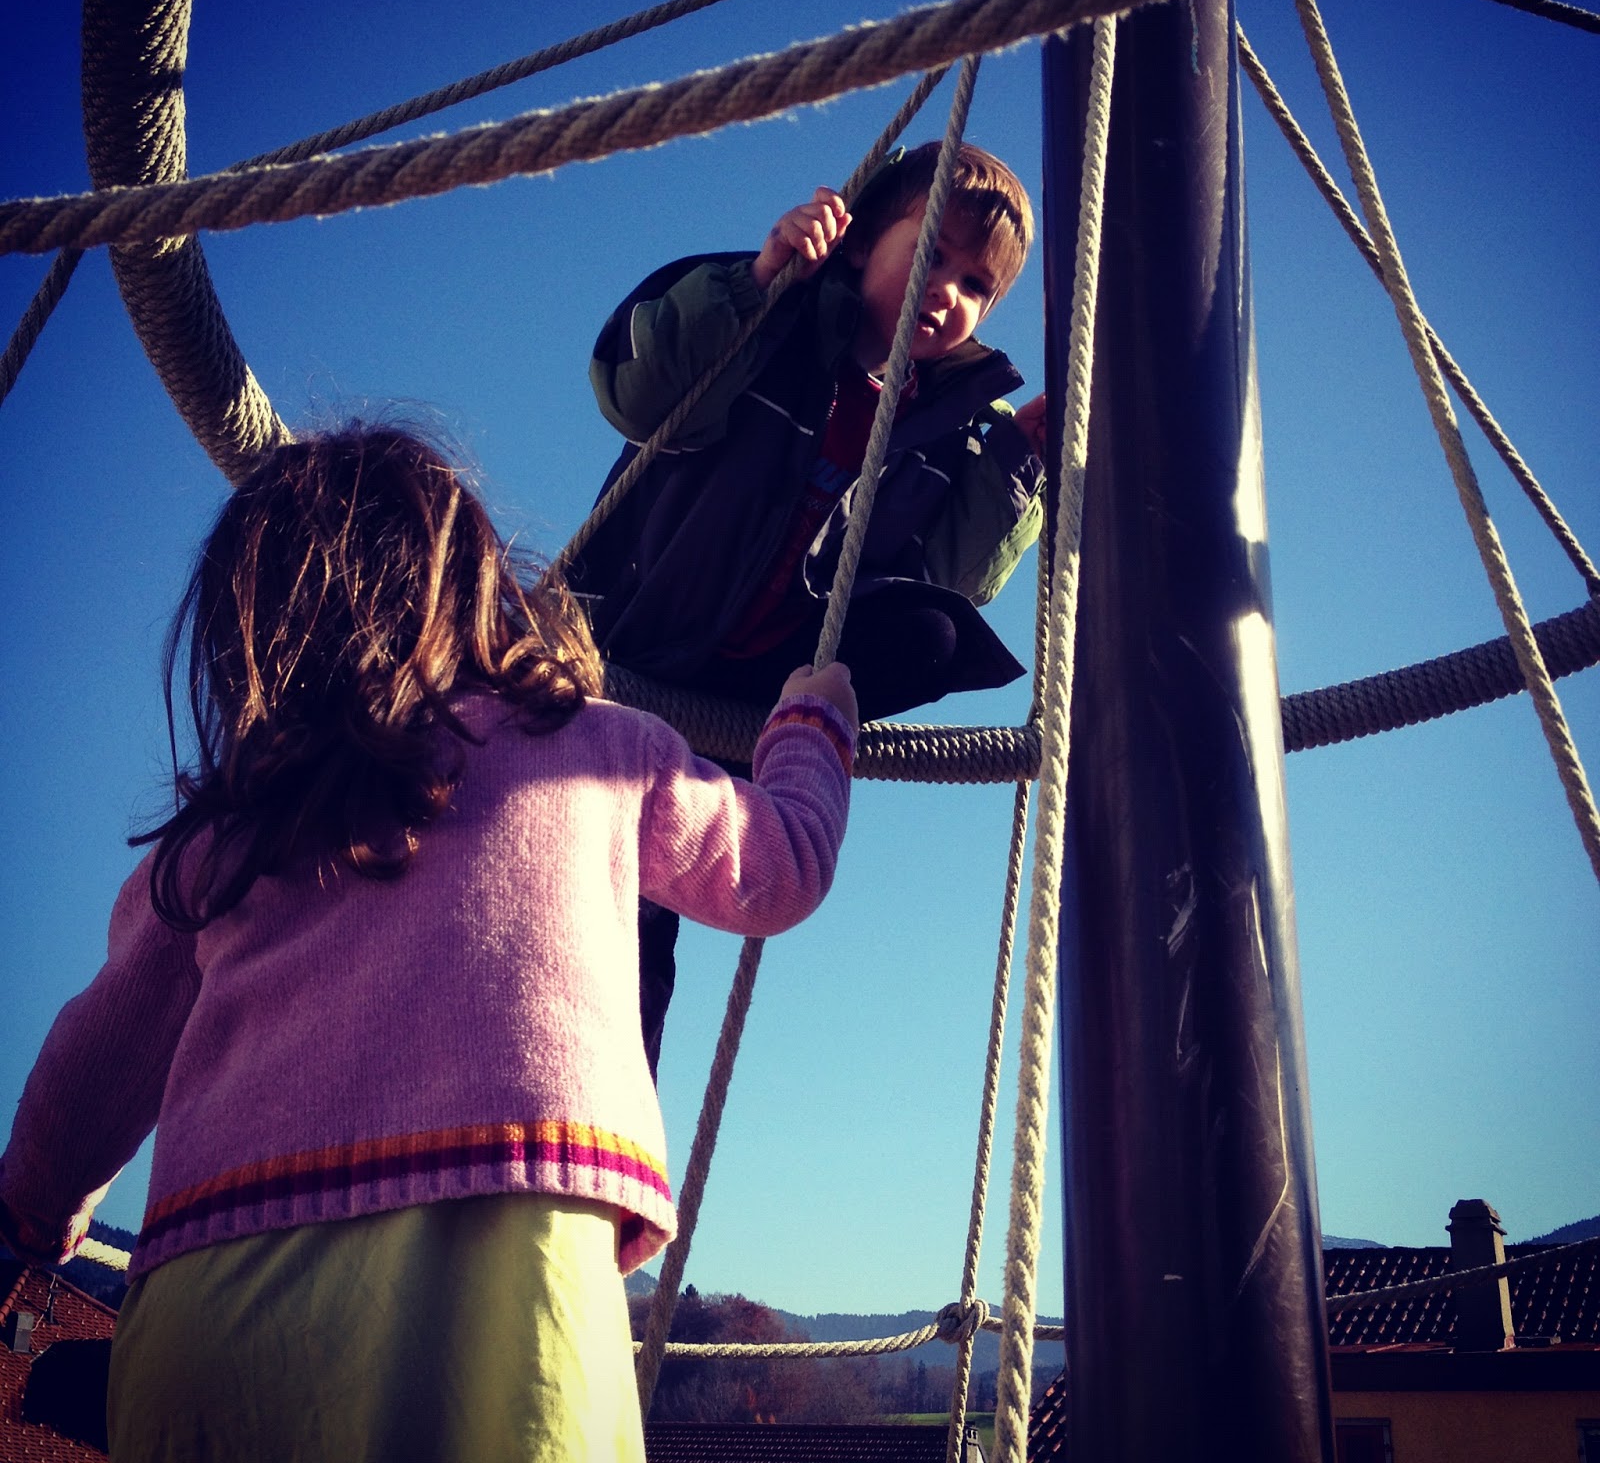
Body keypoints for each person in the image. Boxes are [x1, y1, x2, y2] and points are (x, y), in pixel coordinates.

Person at [0, 424, 858, 1463]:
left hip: (212, 1287)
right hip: (507, 1269)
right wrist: (810, 726)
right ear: (478, 585)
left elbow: (91, 1073)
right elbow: (780, 866)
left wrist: (35, 1220)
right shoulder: (594, 746)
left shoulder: (223, 839)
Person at [570, 140, 1046, 1071]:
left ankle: (618, 1091)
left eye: (977, 286)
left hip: (755, 680)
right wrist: (754, 284)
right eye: (934, 253)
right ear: (863, 239)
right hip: (634, 637)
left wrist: (1017, 464)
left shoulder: (946, 426)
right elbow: (637, 392)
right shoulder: (774, 323)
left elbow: (951, 574)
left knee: (933, 629)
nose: (948, 292)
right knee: (592, 879)